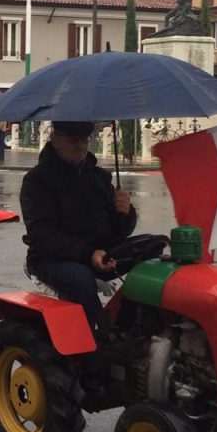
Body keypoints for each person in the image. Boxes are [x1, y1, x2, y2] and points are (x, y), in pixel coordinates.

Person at [19, 120, 136, 340]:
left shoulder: (98, 177)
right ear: (54, 139)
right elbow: (42, 235)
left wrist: (125, 212)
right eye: (73, 140)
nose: (81, 146)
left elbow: (120, 231)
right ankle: (91, 350)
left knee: (149, 262)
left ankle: (132, 330)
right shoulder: (37, 180)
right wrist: (88, 254)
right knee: (81, 279)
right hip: (52, 259)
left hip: (101, 254)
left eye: (85, 140)